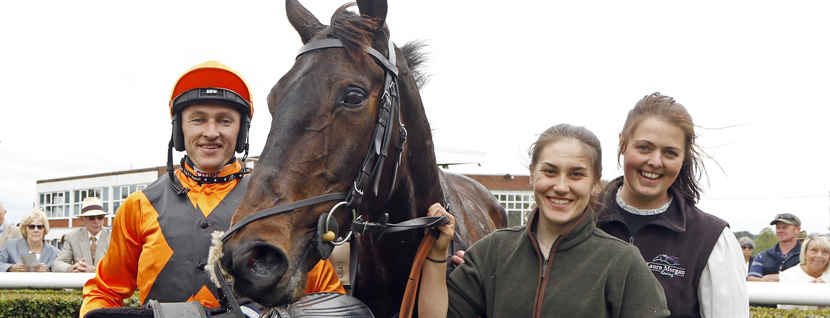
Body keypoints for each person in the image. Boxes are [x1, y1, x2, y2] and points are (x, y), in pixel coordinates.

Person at [81, 60, 344, 317]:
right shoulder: (139, 205)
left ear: (242, 132)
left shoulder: (281, 205)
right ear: (179, 128)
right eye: (198, 119)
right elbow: (104, 292)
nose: (211, 132)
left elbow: (329, 299)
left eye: (225, 121)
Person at [419, 124, 670, 317]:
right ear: (532, 175)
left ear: (595, 183)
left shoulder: (623, 263)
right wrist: (437, 253)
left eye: (576, 175)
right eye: (550, 171)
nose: (561, 187)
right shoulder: (493, 251)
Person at [595, 92, 749, 317]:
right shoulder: (584, 220)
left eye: (670, 152)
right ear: (622, 143)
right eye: (644, 148)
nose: (655, 162)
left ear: (683, 157)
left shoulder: (711, 239)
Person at [53, 197, 112, 273]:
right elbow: (57, 264)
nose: (97, 221)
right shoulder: (72, 237)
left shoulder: (114, 237)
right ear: (83, 219)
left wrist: (96, 269)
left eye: (100, 217)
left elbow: (121, 265)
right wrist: (72, 268)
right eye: (92, 217)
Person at [777, 234, 830, 310]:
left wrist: (825, 293)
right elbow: (783, 308)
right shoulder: (788, 276)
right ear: (804, 253)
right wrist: (808, 293)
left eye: (825, 252)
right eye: (814, 250)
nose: (819, 255)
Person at [748, 213, 802, 282]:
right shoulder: (763, 256)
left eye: (785, 227)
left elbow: (811, 277)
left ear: (798, 229)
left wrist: (767, 278)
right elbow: (752, 279)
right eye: (778, 227)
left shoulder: (807, 256)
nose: (780, 231)